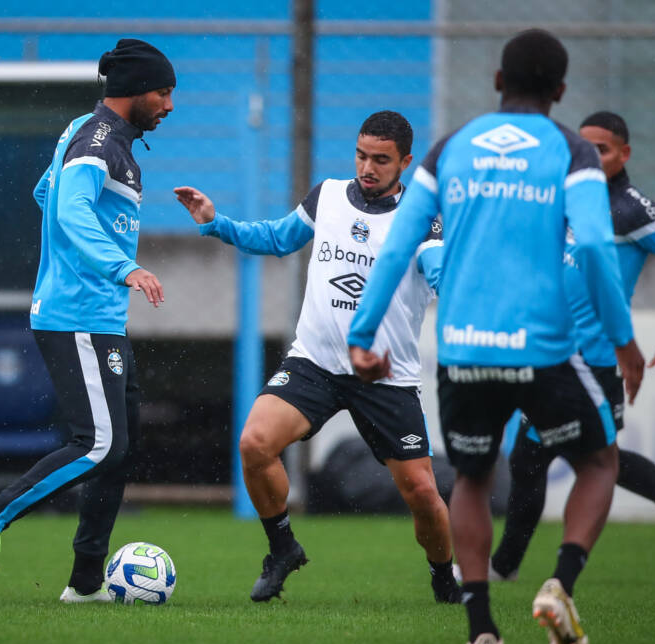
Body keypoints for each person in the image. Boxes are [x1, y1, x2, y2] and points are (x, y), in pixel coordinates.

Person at [348, 30, 645, 644]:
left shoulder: (449, 148)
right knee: (600, 462)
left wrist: (361, 335)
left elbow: (399, 245)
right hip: (542, 346)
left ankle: (481, 627)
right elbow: (595, 246)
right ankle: (560, 584)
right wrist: (623, 340)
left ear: (497, 80)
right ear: (560, 90)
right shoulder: (571, 150)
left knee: (473, 479)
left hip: (463, 347)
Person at [173, 110, 462, 604]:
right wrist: (216, 224)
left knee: (422, 493)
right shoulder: (327, 195)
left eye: (381, 160)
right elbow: (277, 238)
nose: (367, 167)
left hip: (386, 377)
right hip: (315, 365)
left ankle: (443, 578)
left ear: (406, 162)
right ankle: (282, 547)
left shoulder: (422, 219)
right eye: (361, 155)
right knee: (255, 443)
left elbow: (439, 272)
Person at [0, 38, 175, 603]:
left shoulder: (93, 132)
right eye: (162, 92)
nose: (169, 105)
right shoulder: (99, 140)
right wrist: (121, 266)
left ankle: (85, 584)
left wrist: (78, 248)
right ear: (134, 90)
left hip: (100, 317)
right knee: (98, 444)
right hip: (78, 315)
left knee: (117, 450)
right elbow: (70, 207)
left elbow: (45, 192)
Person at [487, 112, 655, 583]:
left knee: (570, 459)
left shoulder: (632, 209)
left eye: (602, 149)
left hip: (593, 360)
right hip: (553, 353)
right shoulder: (570, 198)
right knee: (572, 459)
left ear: (625, 153)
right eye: (585, 148)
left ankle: (508, 568)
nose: (591, 157)